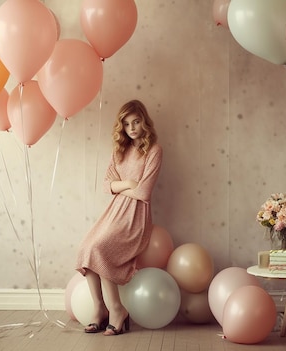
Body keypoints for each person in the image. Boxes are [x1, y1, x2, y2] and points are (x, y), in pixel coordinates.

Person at [75, 99, 163, 336]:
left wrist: (120, 187)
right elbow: (106, 185)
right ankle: (99, 309)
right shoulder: (119, 151)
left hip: (135, 216)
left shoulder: (153, 150)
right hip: (114, 211)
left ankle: (117, 310)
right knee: (86, 248)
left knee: (100, 248)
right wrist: (127, 183)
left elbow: (144, 192)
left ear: (144, 121)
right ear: (122, 127)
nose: (132, 128)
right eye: (126, 124)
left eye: (136, 122)